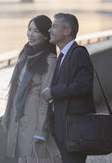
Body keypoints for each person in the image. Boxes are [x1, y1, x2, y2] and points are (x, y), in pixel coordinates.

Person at [2, 15, 59, 163]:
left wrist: (41, 130)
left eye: (36, 31)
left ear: (46, 36)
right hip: (18, 116)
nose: (30, 34)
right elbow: (16, 87)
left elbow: (46, 98)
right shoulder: (26, 53)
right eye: (29, 29)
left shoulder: (49, 60)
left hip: (34, 119)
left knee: (33, 158)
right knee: (22, 158)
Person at [41, 13, 96, 163]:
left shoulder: (78, 53)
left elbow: (83, 86)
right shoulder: (65, 55)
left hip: (74, 129)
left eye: (54, 26)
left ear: (67, 31)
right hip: (64, 128)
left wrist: (53, 92)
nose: (49, 30)